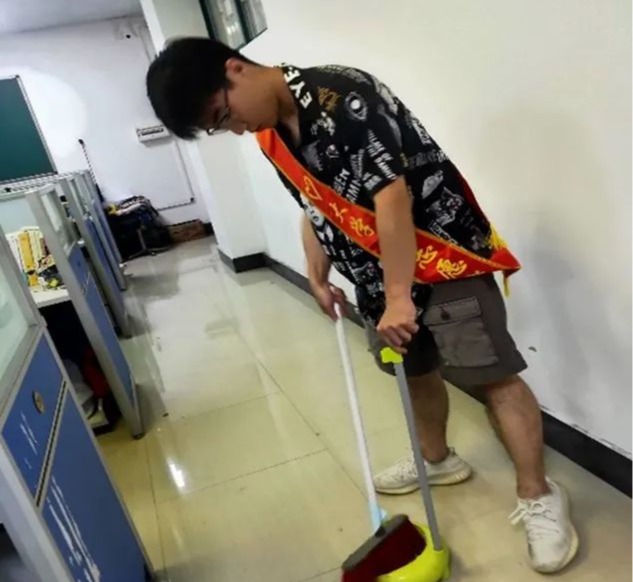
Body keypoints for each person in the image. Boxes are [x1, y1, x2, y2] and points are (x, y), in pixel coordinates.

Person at [146, 37, 578, 574]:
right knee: (413, 371)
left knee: (493, 376)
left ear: (235, 69)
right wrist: (317, 272)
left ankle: (539, 494)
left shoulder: (344, 96)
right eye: (219, 127)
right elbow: (314, 204)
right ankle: (437, 460)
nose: (234, 128)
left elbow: (390, 198)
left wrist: (400, 297)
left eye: (222, 114)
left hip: (439, 258)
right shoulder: (271, 133)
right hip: (375, 275)